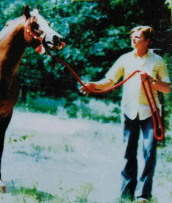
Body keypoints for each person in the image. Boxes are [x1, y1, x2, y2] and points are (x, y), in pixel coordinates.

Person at [80, 26, 171, 202]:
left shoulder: (157, 61)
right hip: (129, 111)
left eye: (138, 37)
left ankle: (143, 195)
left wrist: (151, 81)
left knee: (149, 152)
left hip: (150, 113)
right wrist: (93, 85)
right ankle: (126, 194)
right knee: (128, 153)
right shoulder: (125, 59)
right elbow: (109, 81)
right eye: (132, 37)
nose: (133, 40)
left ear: (147, 41)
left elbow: (167, 88)